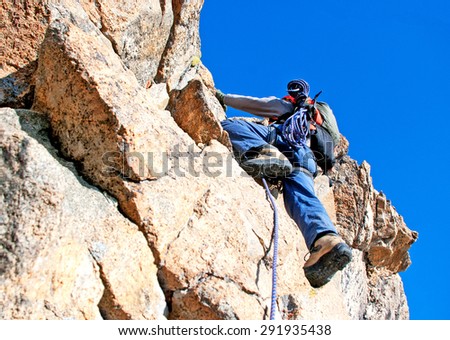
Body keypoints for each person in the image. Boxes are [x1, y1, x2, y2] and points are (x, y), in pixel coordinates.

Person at [216, 79, 352, 288]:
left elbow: (255, 104)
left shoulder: (292, 107)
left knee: (230, 126)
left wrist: (223, 98)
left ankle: (263, 153)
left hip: (284, 141)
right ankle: (326, 240)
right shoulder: (318, 125)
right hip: (308, 161)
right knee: (302, 196)